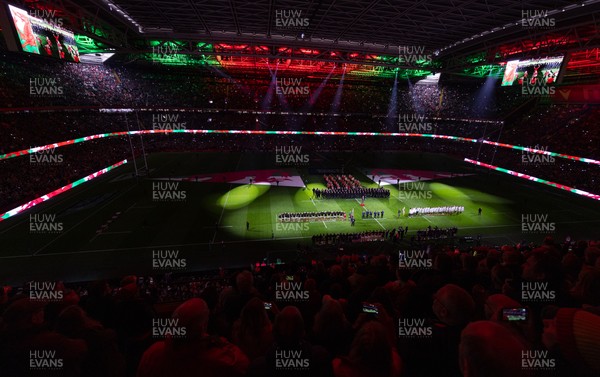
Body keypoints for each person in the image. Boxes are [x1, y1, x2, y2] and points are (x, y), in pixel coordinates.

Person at [137, 298, 249, 377]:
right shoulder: (219, 359)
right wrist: (219, 342)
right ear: (203, 327)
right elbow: (243, 365)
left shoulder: (152, 353)